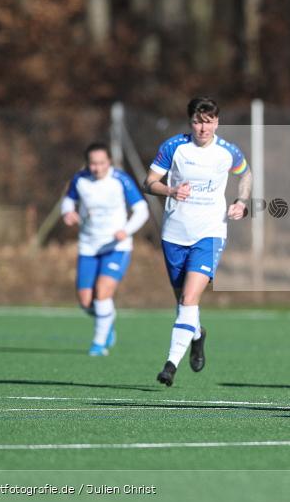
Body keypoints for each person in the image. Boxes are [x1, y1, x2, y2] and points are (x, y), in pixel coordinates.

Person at [144, 97, 252, 385]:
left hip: (211, 232)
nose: (203, 128)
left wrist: (242, 201)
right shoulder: (173, 147)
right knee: (183, 304)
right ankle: (197, 334)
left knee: (190, 298)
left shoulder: (227, 152)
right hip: (174, 234)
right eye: (197, 121)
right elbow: (149, 181)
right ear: (190, 122)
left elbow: (245, 174)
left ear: (216, 122)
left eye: (208, 122)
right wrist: (170, 190)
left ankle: (170, 365)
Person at [61, 142, 149, 356]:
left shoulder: (120, 180)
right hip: (89, 246)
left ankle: (99, 344)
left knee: (102, 293)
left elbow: (141, 210)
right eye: (93, 164)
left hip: (117, 247)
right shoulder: (80, 180)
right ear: (87, 164)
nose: (97, 168)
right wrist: (67, 213)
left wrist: (126, 231)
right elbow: (68, 200)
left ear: (109, 162)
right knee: (85, 302)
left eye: (101, 163)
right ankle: (106, 320)